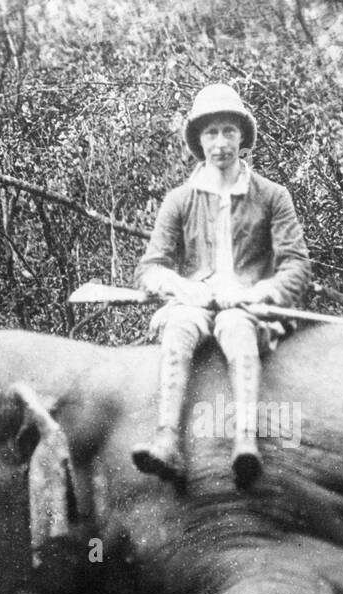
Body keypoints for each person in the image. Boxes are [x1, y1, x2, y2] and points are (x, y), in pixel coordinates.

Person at [132, 83, 311, 488]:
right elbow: (151, 267)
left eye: (229, 132)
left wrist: (255, 294)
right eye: (211, 133)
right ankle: (166, 441)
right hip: (196, 302)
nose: (220, 143)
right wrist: (181, 287)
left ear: (242, 138)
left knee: (235, 325)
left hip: (248, 306)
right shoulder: (179, 200)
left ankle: (245, 442)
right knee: (178, 329)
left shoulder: (272, 196)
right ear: (198, 140)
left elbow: (296, 265)